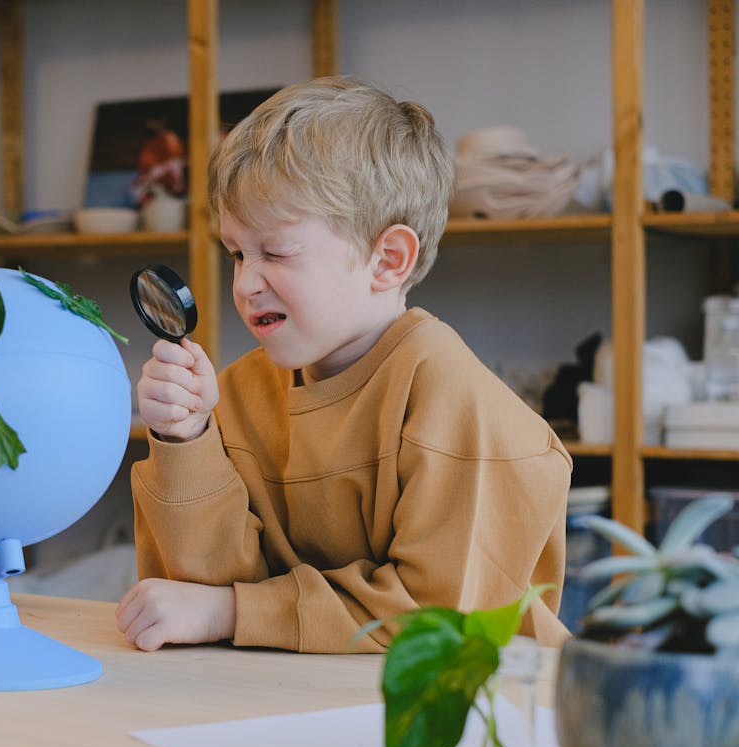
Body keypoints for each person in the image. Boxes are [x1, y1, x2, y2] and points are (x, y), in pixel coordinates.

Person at [116, 77, 571, 653]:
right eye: (236, 253)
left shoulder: (461, 408)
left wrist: (234, 610)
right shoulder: (232, 395)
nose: (246, 283)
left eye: (275, 252)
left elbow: (435, 622)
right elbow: (195, 599)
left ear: (388, 260)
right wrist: (186, 440)